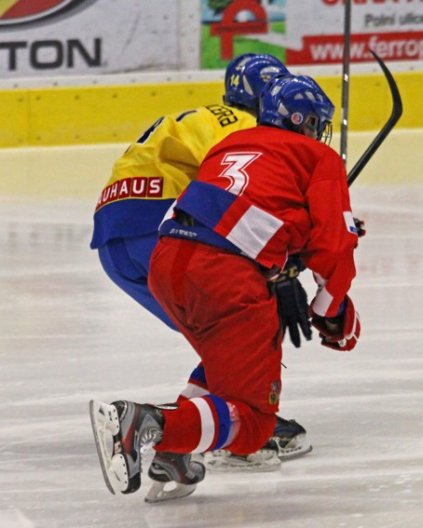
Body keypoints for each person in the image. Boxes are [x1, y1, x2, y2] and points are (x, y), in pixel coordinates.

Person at [89, 74, 362, 503]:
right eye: (315, 123)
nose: (317, 132)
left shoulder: (229, 144)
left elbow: (248, 211)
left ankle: (173, 450)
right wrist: (331, 312)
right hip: (222, 272)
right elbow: (335, 249)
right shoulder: (318, 157)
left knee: (224, 355)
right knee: (253, 423)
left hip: (166, 260)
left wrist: (287, 245)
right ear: (302, 120)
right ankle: (147, 423)